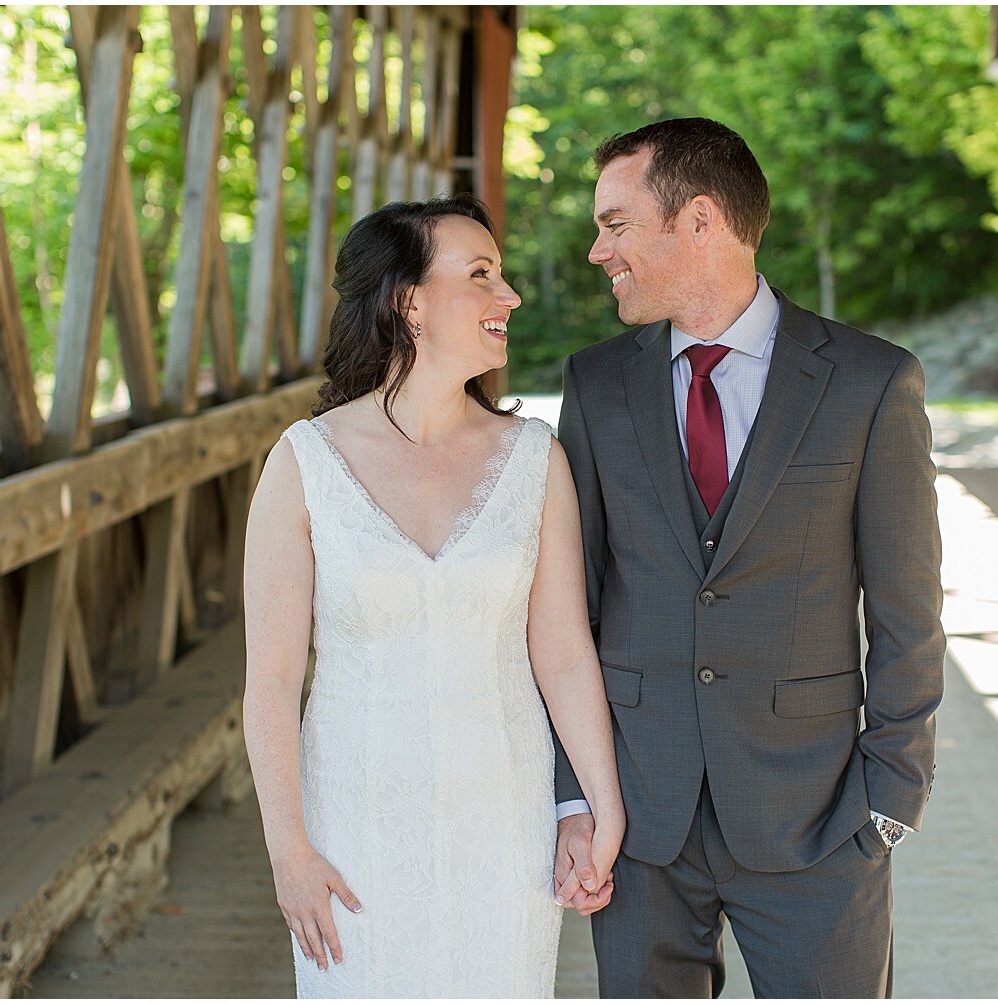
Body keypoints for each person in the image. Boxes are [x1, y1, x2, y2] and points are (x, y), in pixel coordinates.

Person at [552, 118, 945, 997]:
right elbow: (566, 610)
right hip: (640, 818)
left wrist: (890, 800)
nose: (595, 250)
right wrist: (574, 799)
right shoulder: (597, 384)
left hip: (817, 818)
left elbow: (907, 611)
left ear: (698, 221)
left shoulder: (870, 382)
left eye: (615, 224)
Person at [241, 194, 624, 998]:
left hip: (504, 822)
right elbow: (272, 682)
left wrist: (597, 804)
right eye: (481, 274)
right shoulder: (303, 462)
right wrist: (289, 852)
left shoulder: (533, 458)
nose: (508, 295)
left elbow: (561, 651)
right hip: (352, 825)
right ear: (408, 301)